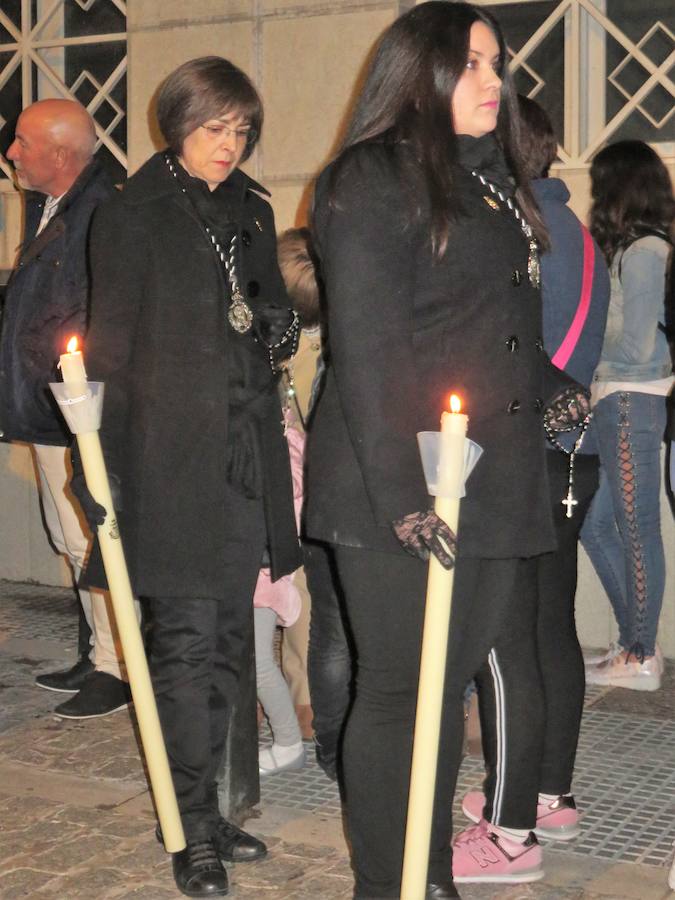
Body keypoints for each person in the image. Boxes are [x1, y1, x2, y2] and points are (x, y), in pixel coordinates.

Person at [305, 4, 588, 897]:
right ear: (417, 73)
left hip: (488, 475)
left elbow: (479, 326)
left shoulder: (491, 180)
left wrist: (548, 384)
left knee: (449, 689)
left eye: (496, 63)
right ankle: (390, 883)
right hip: (396, 479)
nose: (492, 81)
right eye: (469, 63)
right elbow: (369, 342)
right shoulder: (368, 177)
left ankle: (430, 876)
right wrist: (402, 496)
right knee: (397, 692)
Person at [78, 57, 301, 897]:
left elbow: (266, 310)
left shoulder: (250, 209)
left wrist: (279, 329)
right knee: (182, 646)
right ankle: (188, 831)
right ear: (176, 122)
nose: (228, 144)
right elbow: (108, 354)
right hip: (168, 462)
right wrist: (106, 478)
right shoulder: (132, 215)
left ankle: (208, 813)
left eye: (241, 130)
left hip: (243, 457)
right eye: (215, 128)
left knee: (229, 647)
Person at [459, 94, 610, 845]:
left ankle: (508, 818)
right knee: (553, 629)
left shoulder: (517, 234)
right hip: (573, 461)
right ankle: (551, 790)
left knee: (507, 638)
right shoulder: (579, 234)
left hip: (520, 460)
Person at [0, 99, 134, 719]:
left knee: (91, 536)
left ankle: (119, 665)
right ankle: (97, 649)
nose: (11, 153)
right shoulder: (54, 204)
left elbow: (94, 315)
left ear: (59, 154)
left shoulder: (103, 209)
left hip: (74, 407)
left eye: (23, 143)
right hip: (45, 401)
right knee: (66, 532)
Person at [581, 140, 674, 691]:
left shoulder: (644, 253)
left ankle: (640, 651)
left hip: (629, 397)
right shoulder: (634, 250)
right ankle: (634, 641)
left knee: (636, 529)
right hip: (617, 398)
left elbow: (636, 348)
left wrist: (591, 321)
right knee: (596, 523)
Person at [276, 227, 353, 781]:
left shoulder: (279, 348)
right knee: (313, 611)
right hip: (322, 488)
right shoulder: (333, 345)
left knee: (296, 605)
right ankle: (306, 703)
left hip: (289, 489)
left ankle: (297, 700)